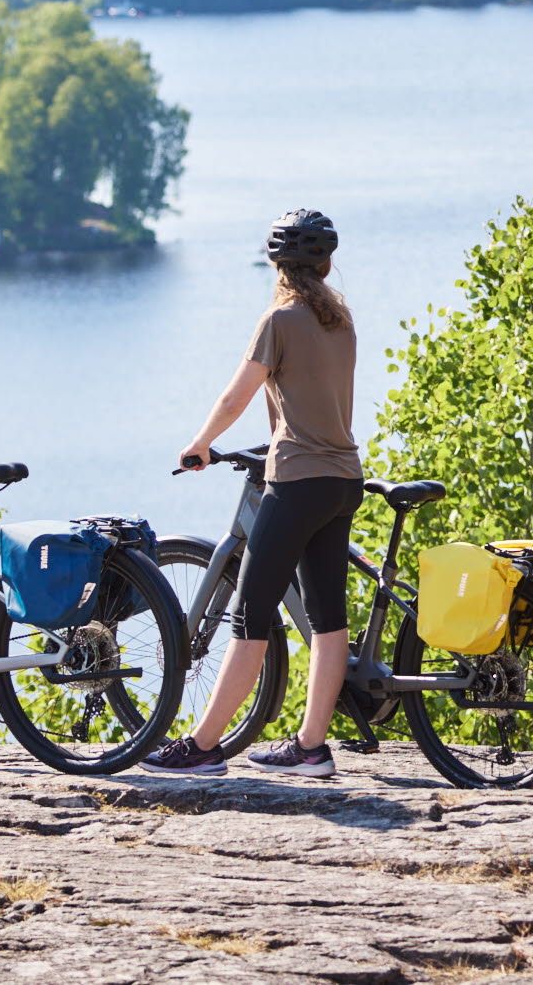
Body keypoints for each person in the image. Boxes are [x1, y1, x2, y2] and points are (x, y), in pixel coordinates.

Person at [144, 207, 362, 779]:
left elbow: (236, 396)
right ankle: (311, 748)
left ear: (278, 266)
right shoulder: (342, 320)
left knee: (249, 618)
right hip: (344, 480)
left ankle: (203, 747)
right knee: (327, 619)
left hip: (297, 483)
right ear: (326, 263)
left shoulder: (279, 319)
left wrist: (199, 443)